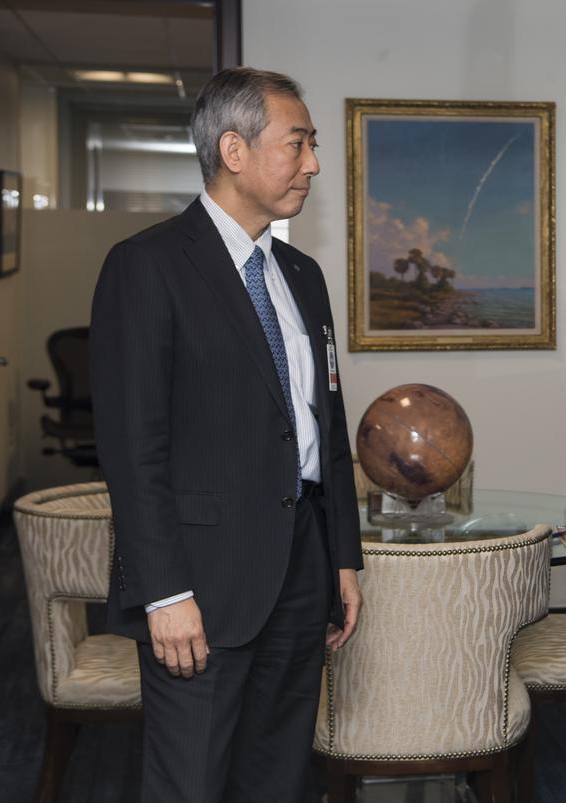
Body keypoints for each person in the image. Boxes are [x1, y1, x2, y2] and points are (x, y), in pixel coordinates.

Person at [89, 67, 363, 802]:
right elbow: (132, 450)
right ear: (234, 150)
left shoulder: (301, 273)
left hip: (301, 571)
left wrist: (342, 553)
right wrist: (162, 591)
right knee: (192, 781)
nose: (312, 163)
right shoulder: (146, 267)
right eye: (298, 143)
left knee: (278, 778)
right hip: (200, 583)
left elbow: (324, 425)